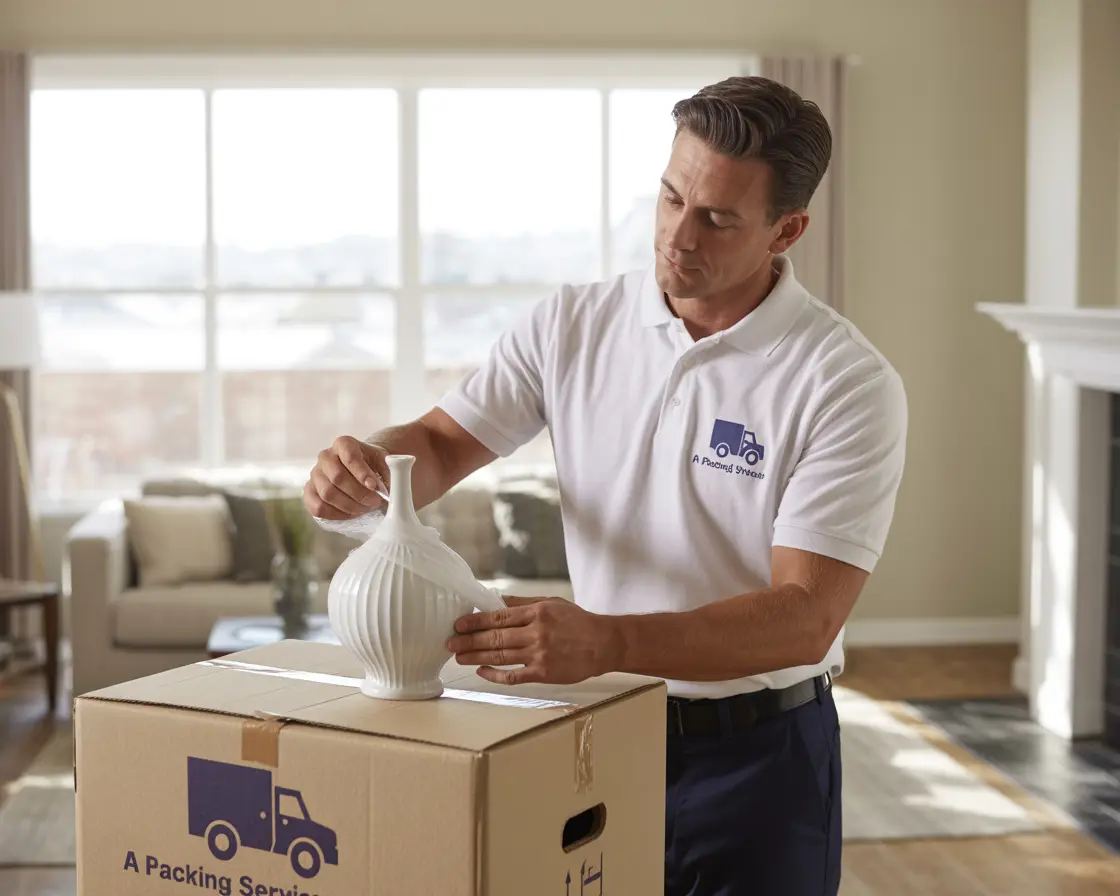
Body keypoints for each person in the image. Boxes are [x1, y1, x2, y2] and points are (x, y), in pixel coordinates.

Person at [304, 75, 907, 896]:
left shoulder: (843, 380)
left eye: (717, 219)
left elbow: (807, 616)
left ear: (786, 229)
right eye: (670, 197)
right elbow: (440, 444)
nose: (677, 237)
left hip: (761, 761)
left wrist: (608, 642)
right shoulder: (572, 324)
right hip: (600, 736)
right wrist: (368, 466)